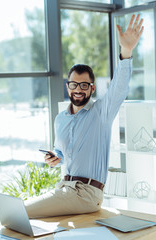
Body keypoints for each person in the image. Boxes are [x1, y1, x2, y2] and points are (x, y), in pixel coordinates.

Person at [25, 14, 144, 218]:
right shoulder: (60, 119)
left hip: (87, 193)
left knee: (22, 211)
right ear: (67, 87)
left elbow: (119, 87)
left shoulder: (101, 114)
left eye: (84, 85)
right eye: (74, 85)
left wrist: (127, 51)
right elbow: (61, 152)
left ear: (92, 88)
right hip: (65, 187)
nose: (78, 90)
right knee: (24, 219)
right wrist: (56, 158)